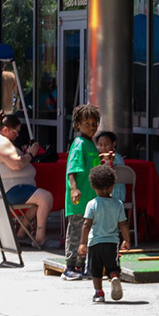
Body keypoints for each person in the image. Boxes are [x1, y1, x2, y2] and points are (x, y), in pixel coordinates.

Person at [0, 111, 55, 248]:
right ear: (5, 129)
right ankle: (40, 238)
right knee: (46, 197)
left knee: (38, 201)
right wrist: (30, 153)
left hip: (11, 188)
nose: (17, 135)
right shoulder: (2, 142)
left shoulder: (0, 140)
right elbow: (16, 163)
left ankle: (21, 234)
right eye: (15, 132)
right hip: (9, 190)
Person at [77, 164, 131, 303]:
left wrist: (83, 243)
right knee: (112, 266)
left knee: (96, 270)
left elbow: (86, 224)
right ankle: (113, 276)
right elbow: (123, 224)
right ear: (112, 186)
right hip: (112, 243)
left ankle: (99, 293)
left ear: (93, 186)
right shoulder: (118, 204)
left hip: (95, 243)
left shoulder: (92, 204)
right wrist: (126, 240)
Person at [62, 103, 101, 281]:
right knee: (76, 233)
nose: (92, 127)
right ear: (77, 124)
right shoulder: (79, 143)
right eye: (87, 124)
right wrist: (74, 188)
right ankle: (70, 266)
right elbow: (72, 169)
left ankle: (81, 265)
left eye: (94, 124)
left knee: (88, 234)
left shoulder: (91, 144)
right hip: (79, 199)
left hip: (91, 199)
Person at [94, 130, 127, 205]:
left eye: (106, 144)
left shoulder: (116, 158)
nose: (103, 147)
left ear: (114, 144)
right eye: (100, 145)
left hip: (113, 194)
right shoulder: (99, 158)